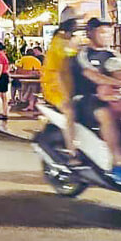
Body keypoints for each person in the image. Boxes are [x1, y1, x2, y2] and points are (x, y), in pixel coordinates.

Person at [72, 18, 121, 185]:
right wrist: (115, 82)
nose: (107, 36)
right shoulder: (83, 54)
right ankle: (118, 162)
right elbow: (91, 75)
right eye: (102, 32)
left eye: (109, 33)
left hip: (111, 97)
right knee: (106, 115)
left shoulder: (113, 54)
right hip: (85, 98)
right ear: (90, 33)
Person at [41, 8, 80, 153]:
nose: (77, 24)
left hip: (70, 86)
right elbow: (57, 73)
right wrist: (65, 96)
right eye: (75, 21)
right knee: (70, 112)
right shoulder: (59, 43)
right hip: (55, 88)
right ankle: (72, 151)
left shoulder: (70, 41)